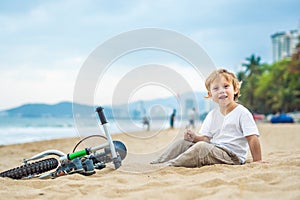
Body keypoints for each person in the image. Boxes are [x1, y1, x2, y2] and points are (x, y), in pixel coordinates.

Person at [151, 68, 262, 167]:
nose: (221, 91)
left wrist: (257, 160)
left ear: (235, 90)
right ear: (210, 94)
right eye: (216, 89)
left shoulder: (242, 113)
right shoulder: (212, 115)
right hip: (214, 149)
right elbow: (205, 139)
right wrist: (194, 137)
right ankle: (158, 162)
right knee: (182, 143)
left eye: (226, 86)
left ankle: (171, 164)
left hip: (232, 156)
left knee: (201, 148)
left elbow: (252, 138)